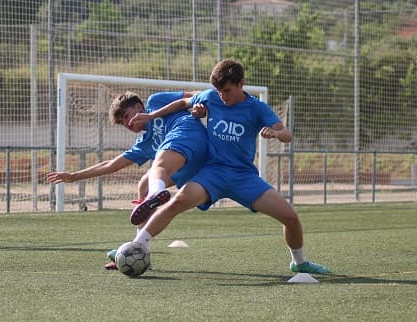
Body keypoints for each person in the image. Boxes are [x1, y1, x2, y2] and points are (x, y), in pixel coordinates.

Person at [128, 59, 331, 275]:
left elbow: (287, 135)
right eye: (219, 91)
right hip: (212, 173)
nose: (222, 96)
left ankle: (299, 262)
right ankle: (138, 245)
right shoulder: (211, 97)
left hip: (243, 177)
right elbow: (182, 104)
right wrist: (152, 115)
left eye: (227, 90)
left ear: (241, 84)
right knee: (177, 201)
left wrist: (276, 133)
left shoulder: (257, 107)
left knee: (290, 217)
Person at [46, 90, 208, 268]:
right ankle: (137, 250)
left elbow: (194, 95)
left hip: (191, 138)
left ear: (139, 107)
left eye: (126, 116)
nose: (127, 124)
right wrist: (73, 176)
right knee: (144, 185)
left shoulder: (156, 101)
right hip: (189, 167)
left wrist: (202, 105)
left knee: (156, 170)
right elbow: (111, 165)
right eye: (123, 123)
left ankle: (156, 194)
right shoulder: (144, 143)